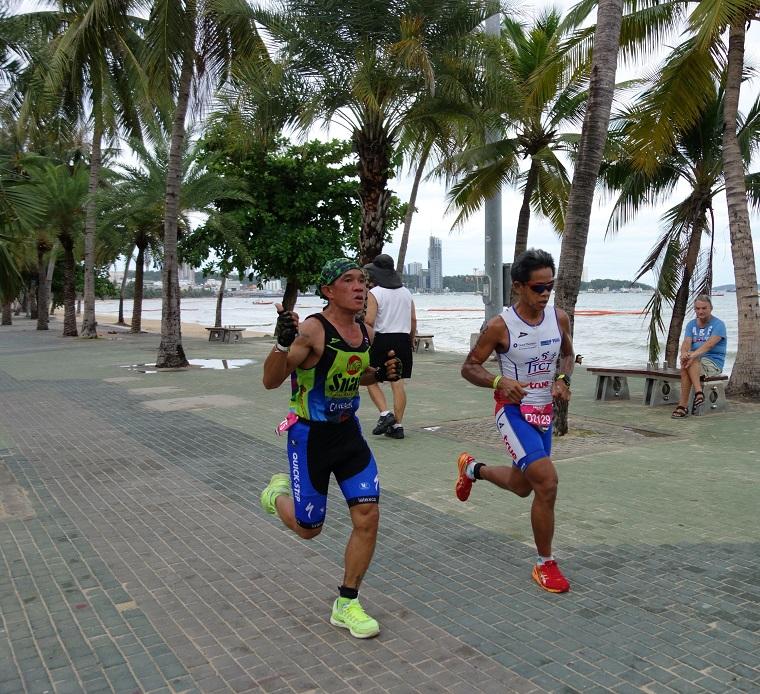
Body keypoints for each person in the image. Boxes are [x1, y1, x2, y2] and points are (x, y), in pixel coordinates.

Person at [260, 258, 400, 639]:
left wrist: (379, 374)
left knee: (368, 515)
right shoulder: (312, 330)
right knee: (310, 529)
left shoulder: (365, 332)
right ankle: (275, 496)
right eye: (348, 280)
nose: (360, 287)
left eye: (362, 281)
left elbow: (355, 375)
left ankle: (347, 602)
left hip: (348, 435)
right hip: (310, 438)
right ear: (328, 291)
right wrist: (281, 343)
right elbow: (271, 380)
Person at [454, 249, 575, 593]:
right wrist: (498, 381)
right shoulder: (500, 326)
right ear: (519, 287)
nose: (546, 294)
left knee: (523, 487)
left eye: (550, 286)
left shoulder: (559, 318)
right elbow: (469, 367)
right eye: (538, 288)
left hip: (543, 413)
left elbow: (567, 354)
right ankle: (544, 563)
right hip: (513, 413)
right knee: (547, 482)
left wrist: (563, 379)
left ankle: (472, 469)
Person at [363, 254, 417, 440]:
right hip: (403, 339)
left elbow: (369, 320)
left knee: (369, 377)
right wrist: (410, 339)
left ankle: (385, 413)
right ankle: (397, 426)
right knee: (397, 381)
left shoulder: (375, 293)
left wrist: (363, 340)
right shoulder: (406, 293)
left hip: (382, 339)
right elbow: (413, 319)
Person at [671, 294, 727, 418]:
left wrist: (692, 355)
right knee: (687, 363)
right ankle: (698, 393)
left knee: (688, 363)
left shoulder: (719, 325)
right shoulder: (691, 325)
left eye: (704, 308)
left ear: (711, 308)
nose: (700, 311)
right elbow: (686, 343)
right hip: (694, 362)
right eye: (697, 308)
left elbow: (709, 345)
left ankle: (683, 406)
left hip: (713, 363)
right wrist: (684, 353)